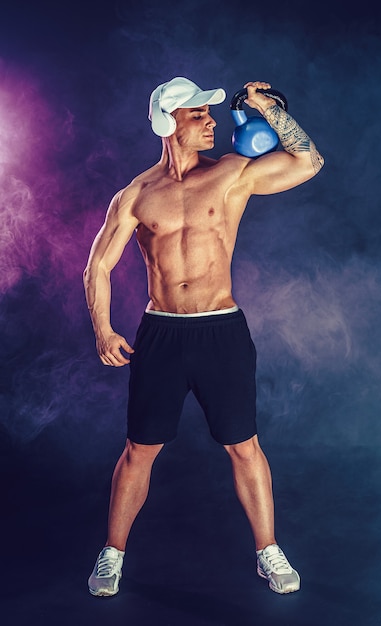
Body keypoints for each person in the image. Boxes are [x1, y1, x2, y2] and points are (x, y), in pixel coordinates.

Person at [83, 76, 324, 598]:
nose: (212, 121)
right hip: (162, 335)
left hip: (221, 330)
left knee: (244, 445)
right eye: (199, 115)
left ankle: (268, 549)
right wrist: (102, 327)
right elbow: (97, 266)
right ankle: (112, 554)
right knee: (138, 451)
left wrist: (265, 109)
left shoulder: (234, 175)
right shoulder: (136, 195)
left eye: (211, 114)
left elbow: (308, 161)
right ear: (169, 123)